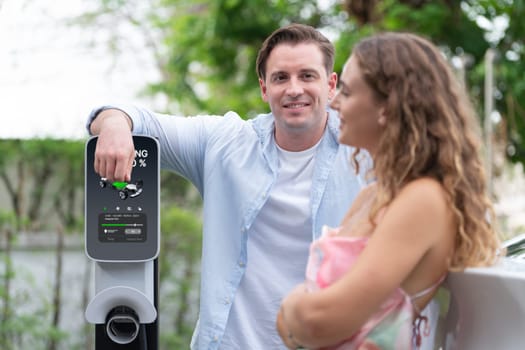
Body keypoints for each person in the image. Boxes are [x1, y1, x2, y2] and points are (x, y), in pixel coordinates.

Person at [87, 23, 372, 349]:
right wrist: (113, 125)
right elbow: (134, 118)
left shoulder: (367, 150)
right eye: (281, 78)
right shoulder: (224, 143)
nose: (294, 89)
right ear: (264, 89)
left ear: (331, 84)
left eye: (307, 76)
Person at [276, 32, 502, 350]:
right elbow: (308, 326)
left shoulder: (424, 199)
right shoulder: (372, 196)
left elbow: (319, 320)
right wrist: (301, 320)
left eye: (348, 91)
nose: (335, 100)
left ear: (387, 106)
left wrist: (292, 306)